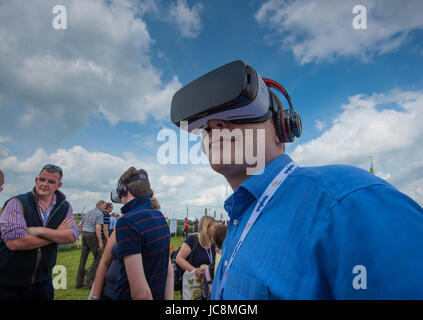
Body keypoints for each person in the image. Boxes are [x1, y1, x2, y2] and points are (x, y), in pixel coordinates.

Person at [170, 60, 423, 299]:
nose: (215, 124)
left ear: (282, 129)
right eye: (205, 125)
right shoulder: (240, 218)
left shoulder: (349, 200)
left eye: (241, 109)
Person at [0, 164, 78, 300]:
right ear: (36, 180)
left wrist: (40, 231)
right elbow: (15, 242)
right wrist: (56, 235)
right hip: (9, 283)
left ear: (58, 185)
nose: (45, 184)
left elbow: (71, 236)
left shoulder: (65, 206)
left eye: (51, 181)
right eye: (42, 180)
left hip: (43, 282)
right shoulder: (17, 202)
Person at [113, 167, 173, 300]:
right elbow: (169, 270)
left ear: (123, 190)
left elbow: (140, 294)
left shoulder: (127, 222)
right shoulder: (160, 217)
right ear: (149, 192)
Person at [176, 216, 216, 286]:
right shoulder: (192, 240)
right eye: (214, 228)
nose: (216, 230)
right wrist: (194, 270)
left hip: (208, 284)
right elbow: (179, 258)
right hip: (192, 284)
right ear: (206, 228)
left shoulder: (213, 242)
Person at [75, 200, 105, 288]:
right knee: (99, 257)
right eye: (104, 206)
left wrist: (83, 233)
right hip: (92, 236)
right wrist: (100, 242)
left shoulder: (88, 212)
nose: (104, 208)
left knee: (82, 260)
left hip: (84, 234)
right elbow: (98, 228)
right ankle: (89, 280)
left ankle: (78, 283)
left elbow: (80, 224)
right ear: (99, 205)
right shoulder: (99, 213)